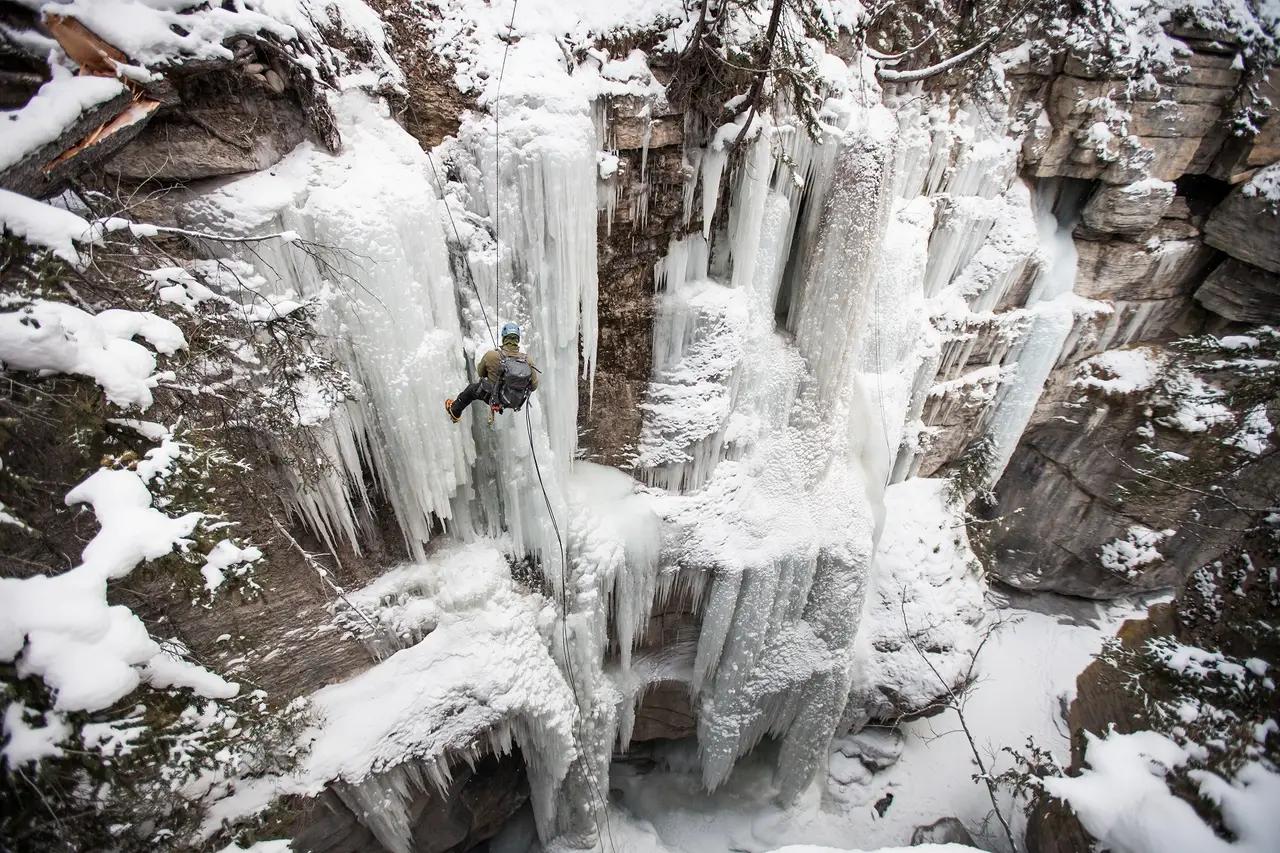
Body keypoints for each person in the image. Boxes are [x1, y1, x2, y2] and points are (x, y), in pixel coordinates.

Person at [445, 322, 539, 422]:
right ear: (518, 339)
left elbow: (481, 373)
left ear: (504, 338)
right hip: (515, 401)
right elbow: (534, 386)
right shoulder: (527, 360)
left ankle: (454, 411)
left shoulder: (491, 355)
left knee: (471, 390)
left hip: (492, 397)